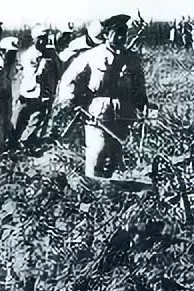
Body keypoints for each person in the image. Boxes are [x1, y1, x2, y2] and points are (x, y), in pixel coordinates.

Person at [56, 14, 150, 179]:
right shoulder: (91, 56)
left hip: (123, 113)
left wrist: (142, 104)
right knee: (97, 152)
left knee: (115, 156)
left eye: (124, 32)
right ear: (106, 34)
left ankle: (109, 193)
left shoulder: (131, 58)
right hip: (97, 113)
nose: (121, 37)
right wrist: (71, 100)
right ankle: (91, 187)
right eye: (116, 32)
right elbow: (69, 79)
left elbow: (138, 85)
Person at [13, 25, 60, 150]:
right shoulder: (28, 55)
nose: (42, 41)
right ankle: (12, 143)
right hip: (27, 93)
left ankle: (26, 142)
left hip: (42, 94)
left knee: (36, 119)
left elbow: (57, 72)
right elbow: (32, 74)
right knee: (19, 119)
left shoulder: (51, 54)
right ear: (33, 39)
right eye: (39, 38)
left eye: (45, 38)